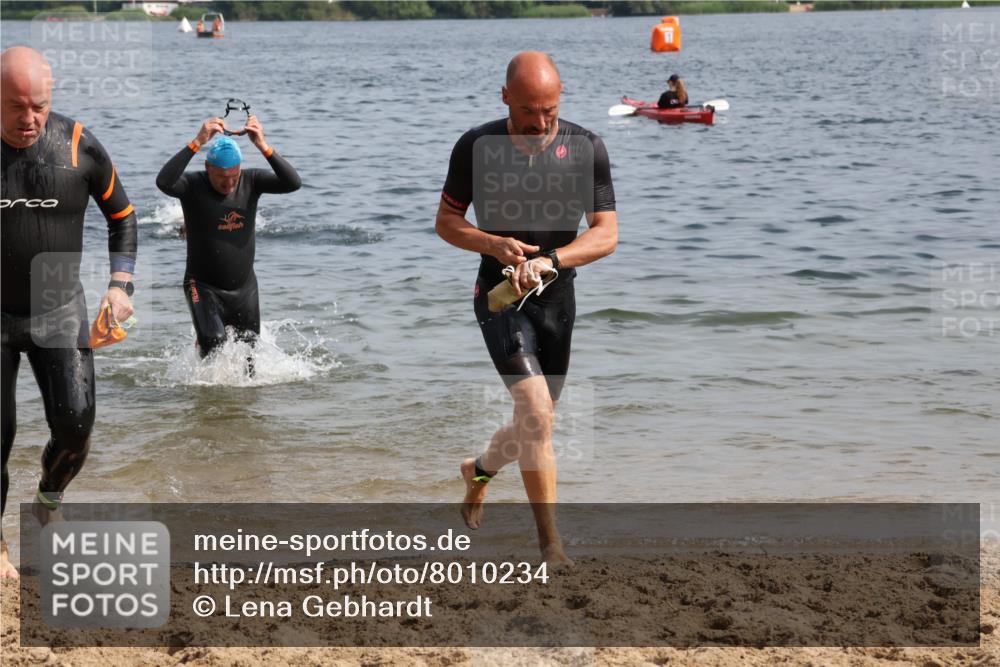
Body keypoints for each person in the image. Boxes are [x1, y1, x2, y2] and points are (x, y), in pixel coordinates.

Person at [436, 51, 618, 566]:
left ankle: (479, 471)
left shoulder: (585, 147)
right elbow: (447, 223)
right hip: (500, 297)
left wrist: (552, 262)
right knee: (536, 413)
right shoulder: (476, 146)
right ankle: (550, 545)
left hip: (556, 297)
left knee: (536, 423)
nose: (540, 124)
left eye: (551, 112)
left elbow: (606, 234)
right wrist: (492, 245)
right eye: (528, 113)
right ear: (505, 99)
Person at [1, 47, 137, 578]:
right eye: (16, 106)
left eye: (38, 105)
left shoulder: (79, 144)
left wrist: (120, 284)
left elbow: (122, 216)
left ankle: (46, 505)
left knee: (76, 426)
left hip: (57, 297)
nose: (29, 118)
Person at [156, 115, 300, 368]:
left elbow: (292, 182)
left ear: (240, 170)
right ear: (208, 167)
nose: (229, 183)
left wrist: (263, 145)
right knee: (214, 341)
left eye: (234, 176)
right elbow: (164, 181)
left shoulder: (251, 181)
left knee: (249, 361)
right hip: (201, 285)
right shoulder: (192, 184)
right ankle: (203, 396)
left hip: (244, 289)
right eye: (222, 177)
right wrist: (198, 140)